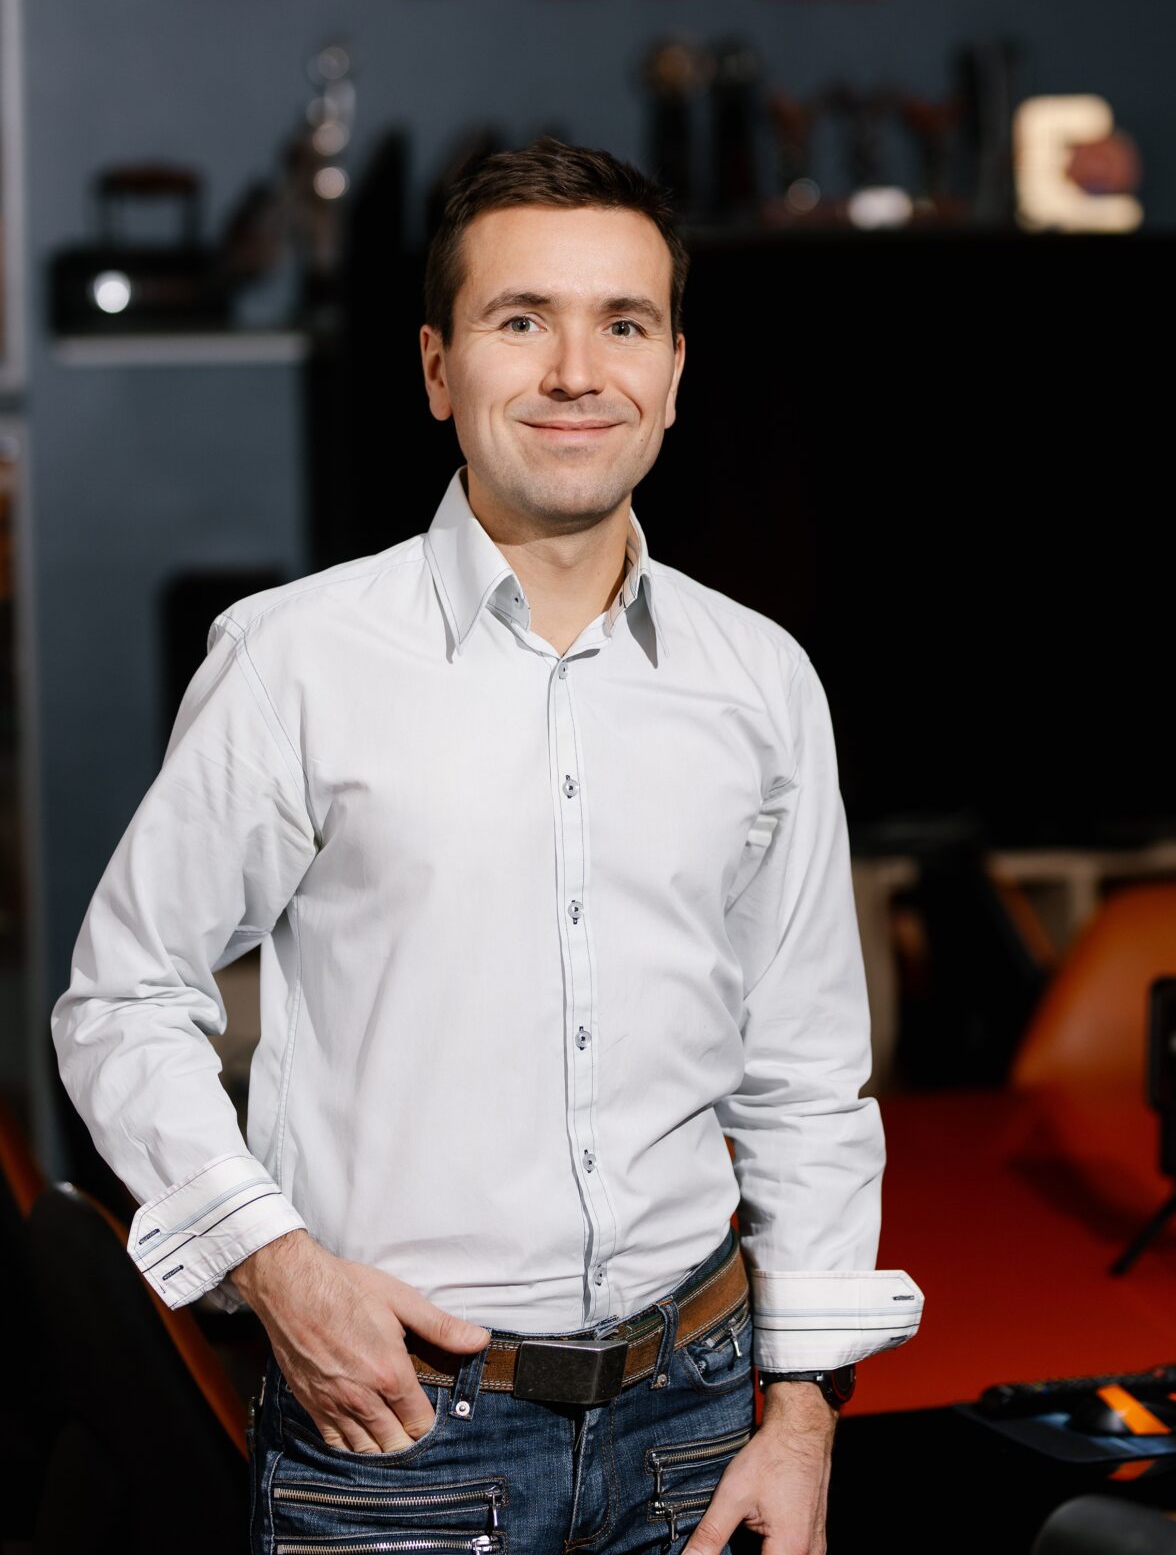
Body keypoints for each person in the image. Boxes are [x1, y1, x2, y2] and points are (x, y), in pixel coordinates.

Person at [52, 138, 922, 1555]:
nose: (577, 372)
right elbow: (123, 999)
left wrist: (805, 1416)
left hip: (703, 1427)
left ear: (674, 373)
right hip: (399, 1429)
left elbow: (807, 1072)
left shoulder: (761, 681)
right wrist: (276, 1271)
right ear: (438, 369)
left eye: (623, 325)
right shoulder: (294, 663)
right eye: (523, 320)